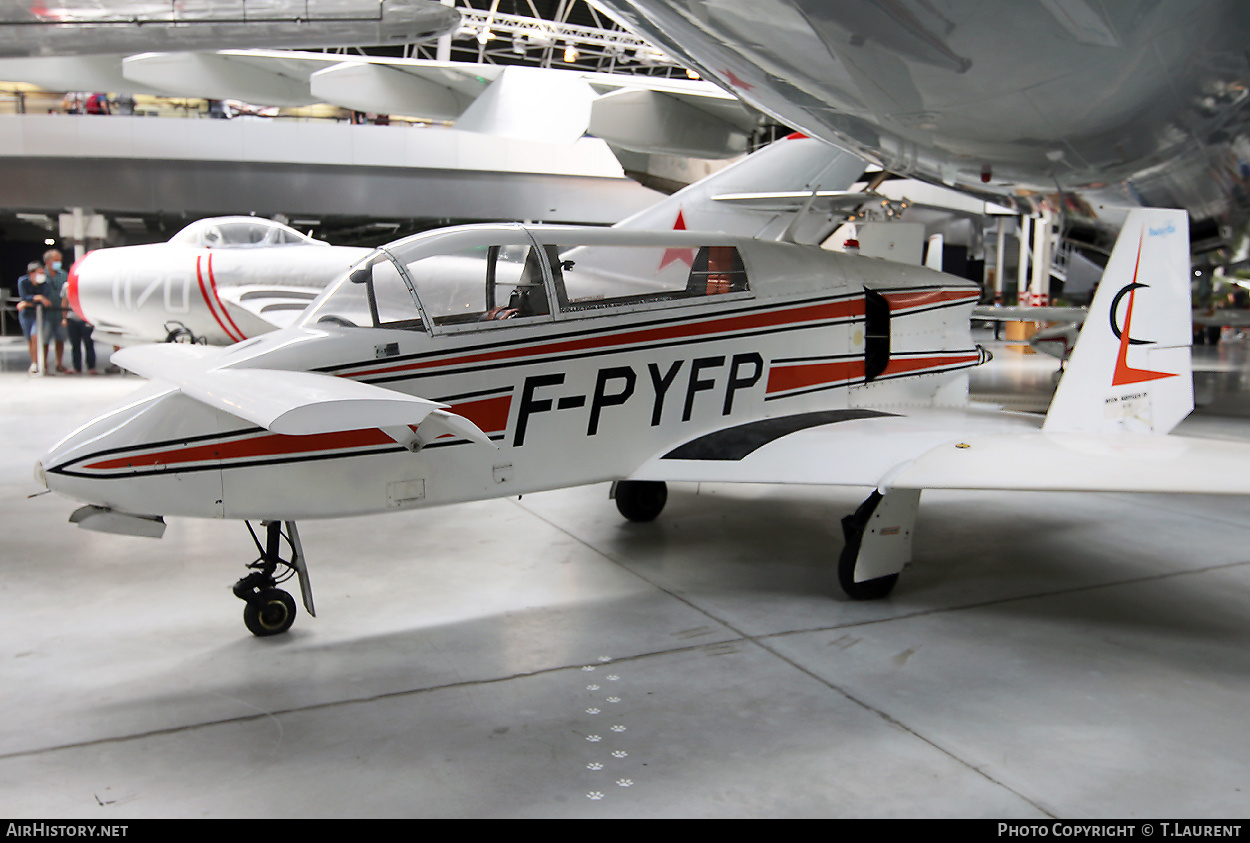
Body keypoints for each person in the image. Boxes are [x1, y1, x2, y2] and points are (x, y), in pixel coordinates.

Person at [16, 262, 53, 374]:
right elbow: (24, 297)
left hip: (40, 315)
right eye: (39, 273)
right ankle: (35, 362)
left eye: (43, 273)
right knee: (30, 340)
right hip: (26, 315)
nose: (42, 275)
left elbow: (45, 302)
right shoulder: (23, 281)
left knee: (36, 335)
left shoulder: (46, 284)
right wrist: (37, 297)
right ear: (31, 273)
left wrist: (28, 303)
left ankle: (40, 362)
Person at [41, 249, 69, 372]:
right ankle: (44, 363)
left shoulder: (63, 275)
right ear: (48, 261)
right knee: (44, 340)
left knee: (60, 339)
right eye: (56, 260)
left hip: (60, 312)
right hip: (45, 314)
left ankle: (59, 363)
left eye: (60, 260)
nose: (58, 262)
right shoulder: (41, 275)